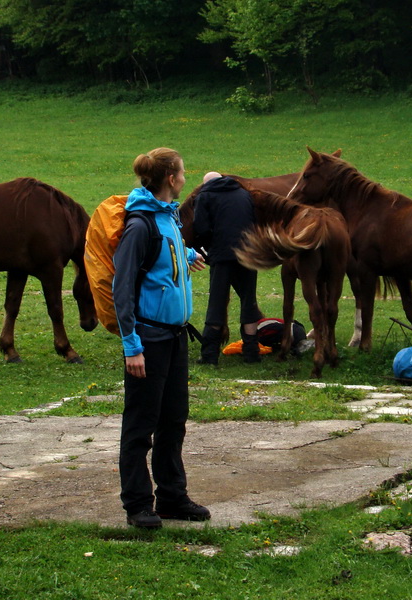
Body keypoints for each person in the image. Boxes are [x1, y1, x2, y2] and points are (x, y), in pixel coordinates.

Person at [113, 147, 209, 529]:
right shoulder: (140, 225)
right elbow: (123, 289)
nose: (186, 176)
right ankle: (138, 504)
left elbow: (163, 256)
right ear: (171, 178)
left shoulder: (168, 218)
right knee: (140, 424)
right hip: (148, 341)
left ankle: (171, 497)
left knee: (173, 420)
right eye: (183, 172)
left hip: (175, 338)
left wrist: (183, 253)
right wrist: (131, 346)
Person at [192, 171, 263, 364]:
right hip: (248, 254)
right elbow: (254, 222)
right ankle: (251, 352)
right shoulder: (244, 194)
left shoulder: (205, 196)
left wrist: (210, 247)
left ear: (205, 183)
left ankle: (209, 355)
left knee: (217, 302)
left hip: (222, 255)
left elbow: (201, 227)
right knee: (249, 302)